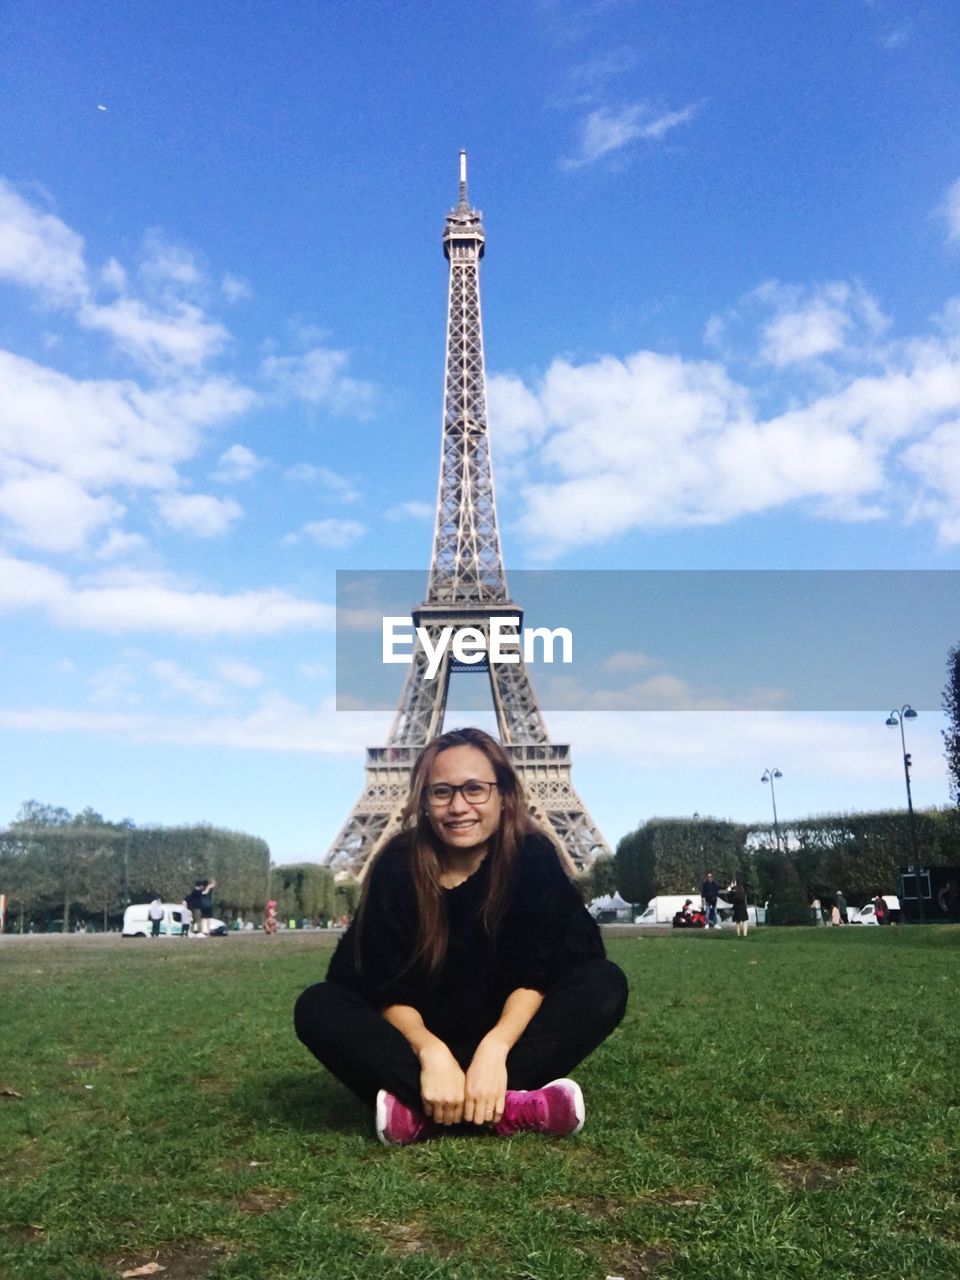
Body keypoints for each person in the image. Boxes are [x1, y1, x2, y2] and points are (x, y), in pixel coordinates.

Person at [294, 727, 628, 1146]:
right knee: (317, 1005)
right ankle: (514, 1108)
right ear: (424, 800)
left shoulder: (532, 856)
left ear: (503, 794)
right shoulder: (398, 864)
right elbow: (380, 980)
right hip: (420, 1047)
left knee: (604, 982)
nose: (458, 806)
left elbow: (543, 966)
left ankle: (422, 1113)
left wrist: (497, 1047)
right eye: (441, 792)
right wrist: (428, 1051)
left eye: (475, 789)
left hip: (508, 1042)